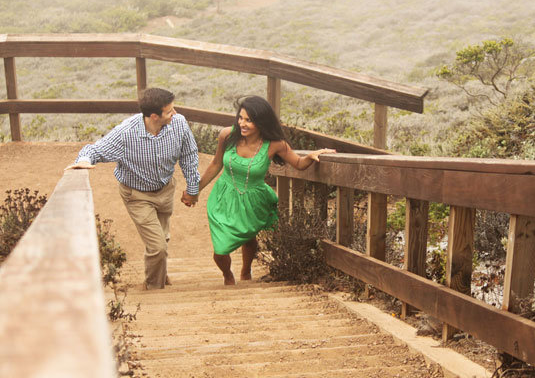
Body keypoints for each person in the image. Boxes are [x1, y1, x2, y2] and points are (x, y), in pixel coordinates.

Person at [65, 88, 201, 290]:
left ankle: (160, 275)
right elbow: (94, 150)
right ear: (154, 116)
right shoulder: (126, 133)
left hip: (165, 189)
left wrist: (193, 187)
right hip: (137, 195)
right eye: (169, 111)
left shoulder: (179, 123)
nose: (175, 114)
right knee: (158, 246)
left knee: (162, 238)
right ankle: (155, 289)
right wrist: (84, 161)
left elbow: (189, 155)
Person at [196, 95, 335, 285]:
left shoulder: (275, 145)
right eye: (241, 118)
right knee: (220, 249)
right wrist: (195, 191)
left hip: (255, 199)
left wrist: (312, 155)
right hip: (224, 196)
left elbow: (299, 164)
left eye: (249, 120)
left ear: (261, 122)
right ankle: (227, 275)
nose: (242, 124)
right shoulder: (227, 135)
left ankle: (246, 269)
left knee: (249, 236)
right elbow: (215, 164)